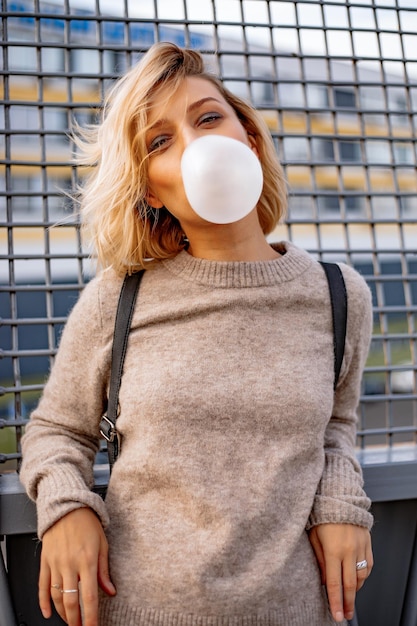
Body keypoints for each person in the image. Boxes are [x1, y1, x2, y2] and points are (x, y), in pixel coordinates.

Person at [20, 41, 373, 626]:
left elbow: (335, 424)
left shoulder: (340, 295)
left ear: (249, 140)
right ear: (150, 190)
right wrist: (65, 508)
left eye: (209, 117)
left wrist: (340, 501)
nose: (197, 145)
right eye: (160, 141)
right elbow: (56, 430)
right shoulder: (119, 295)